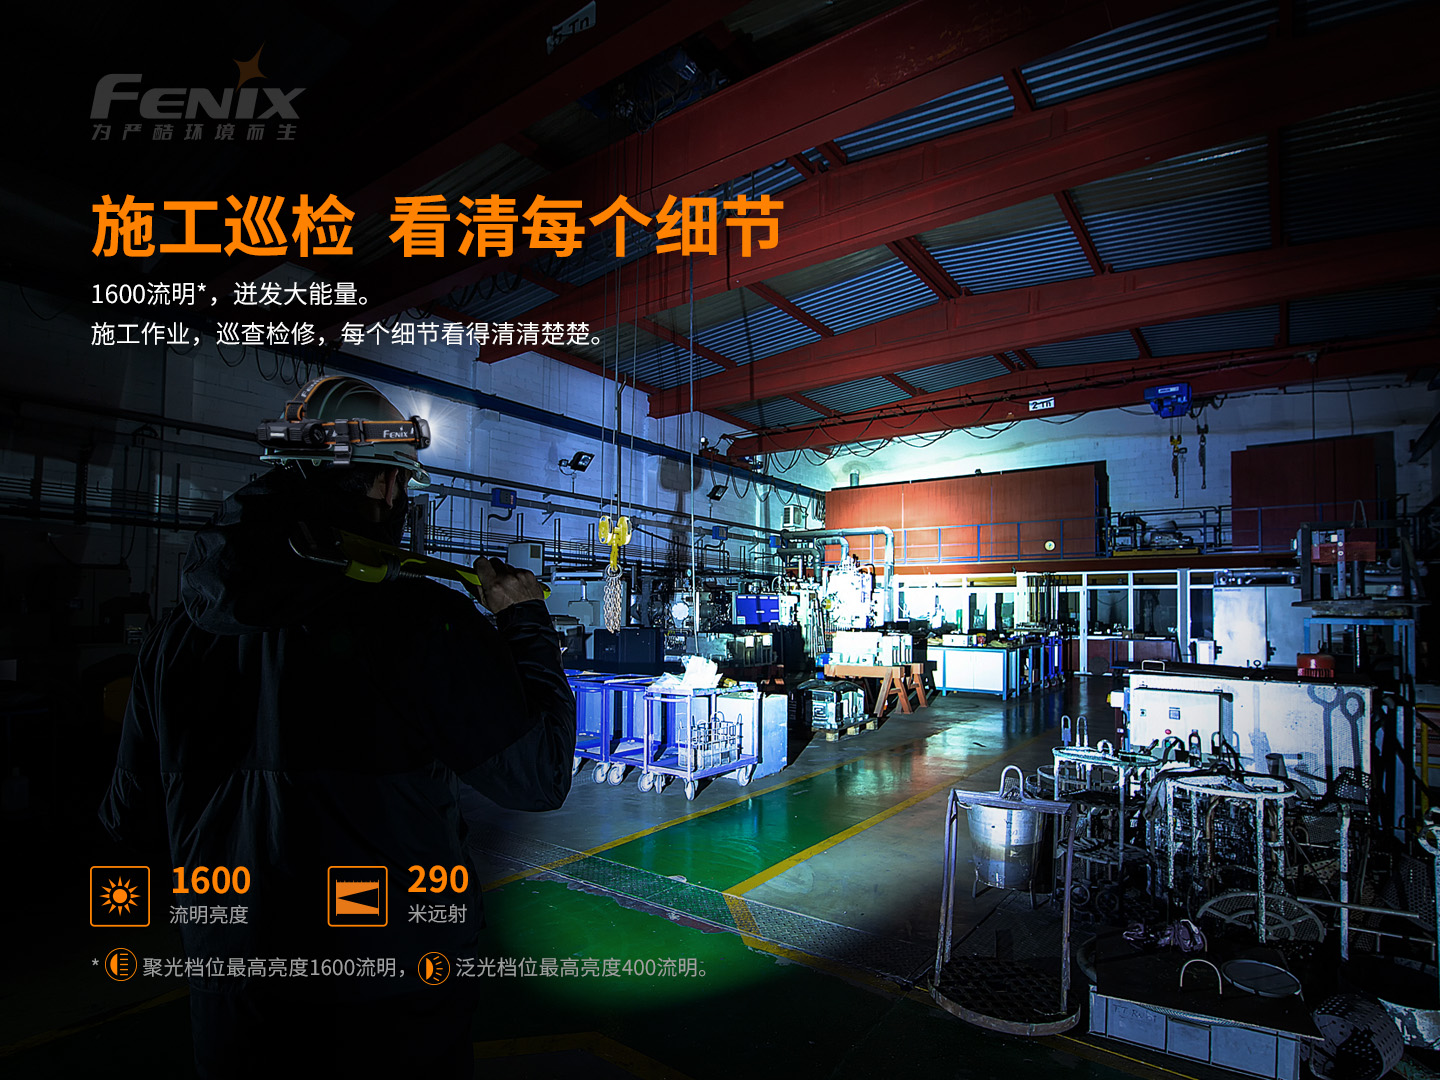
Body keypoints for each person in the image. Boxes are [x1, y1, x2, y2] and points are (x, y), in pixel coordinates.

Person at [99, 376, 576, 1077]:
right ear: (383, 485)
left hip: (235, 998)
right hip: (390, 1003)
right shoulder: (423, 623)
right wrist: (526, 624)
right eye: (398, 484)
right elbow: (539, 776)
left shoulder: (173, 639)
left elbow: (131, 821)